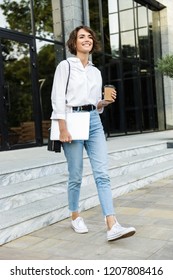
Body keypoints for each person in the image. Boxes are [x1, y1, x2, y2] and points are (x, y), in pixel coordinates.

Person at [51, 25, 136, 241]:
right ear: (74, 42)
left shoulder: (96, 71)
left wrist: (103, 102)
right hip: (72, 120)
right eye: (82, 37)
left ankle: (112, 223)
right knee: (76, 175)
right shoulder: (65, 66)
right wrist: (62, 127)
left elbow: (94, 102)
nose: (87, 39)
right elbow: (57, 98)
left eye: (89, 37)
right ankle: (75, 215)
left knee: (102, 173)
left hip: (94, 121)